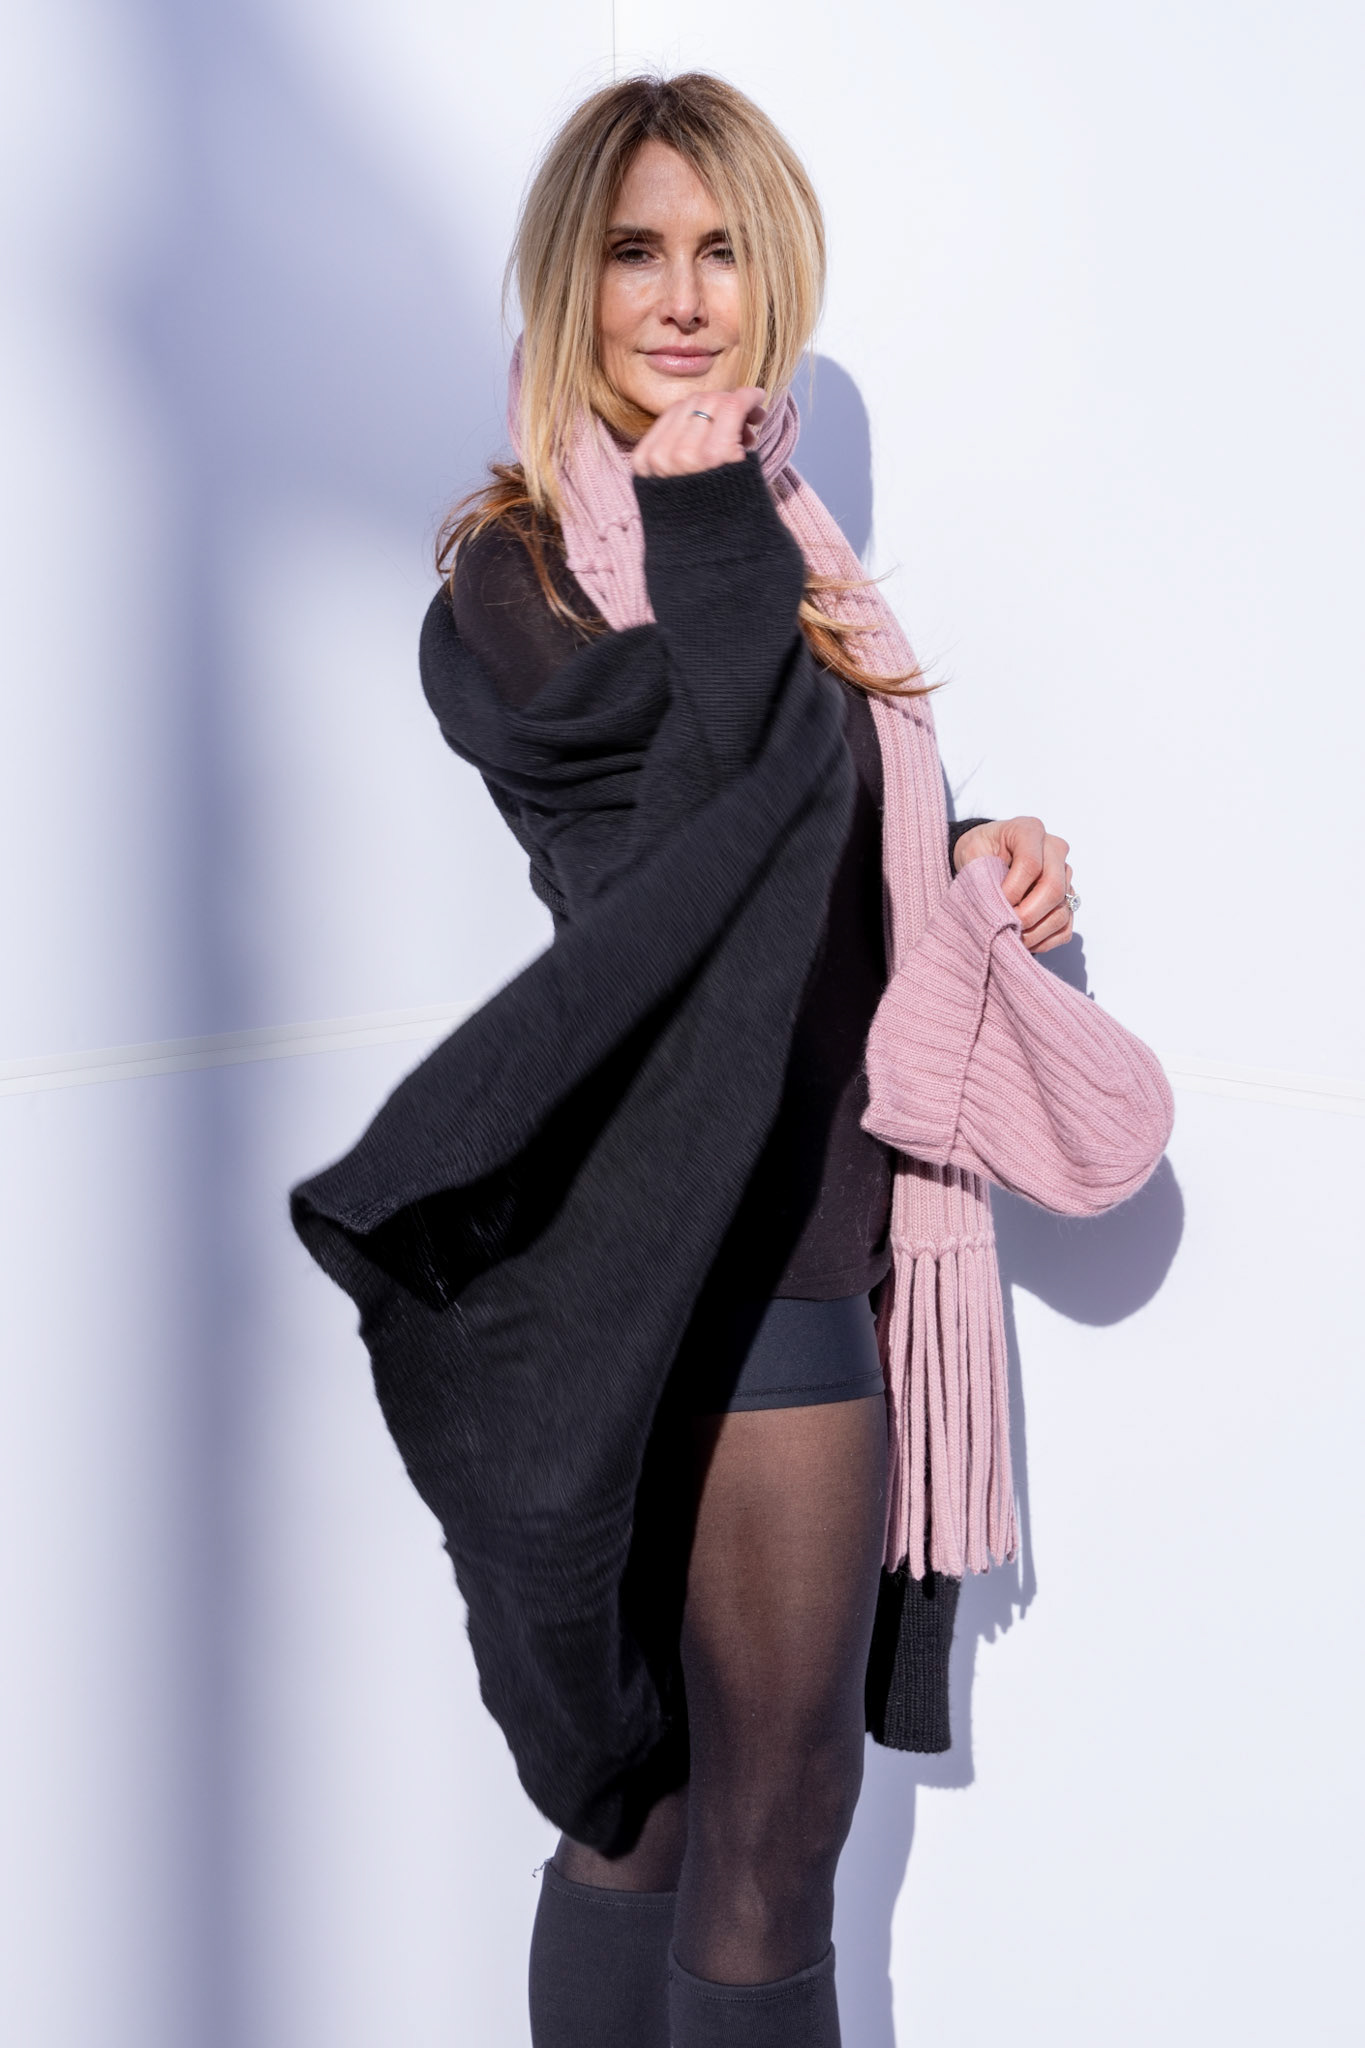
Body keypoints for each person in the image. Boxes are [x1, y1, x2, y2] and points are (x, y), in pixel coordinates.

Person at [291, 71, 1171, 2048]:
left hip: (796, 1220)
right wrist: (701, 525)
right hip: (696, 1246)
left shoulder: (791, 555)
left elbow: (809, 860)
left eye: (718, 252)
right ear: (567, 279)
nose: (681, 298)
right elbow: (677, 864)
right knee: (735, 1824)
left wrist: (967, 850)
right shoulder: (513, 579)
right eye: (634, 251)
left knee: (690, 1816)